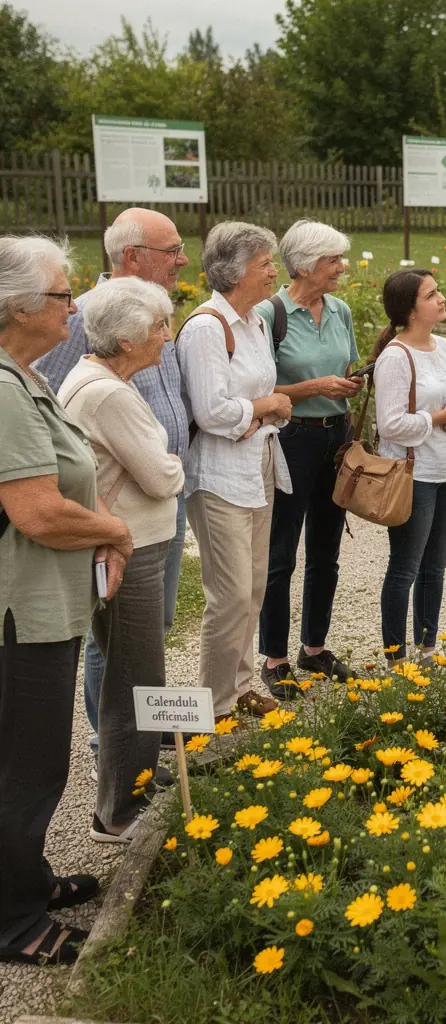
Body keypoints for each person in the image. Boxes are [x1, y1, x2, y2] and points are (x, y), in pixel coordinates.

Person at [0, 237, 132, 965]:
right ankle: (14, 922)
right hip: (19, 617)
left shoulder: (25, 376)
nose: (74, 307)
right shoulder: (3, 388)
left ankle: (28, 881)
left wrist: (101, 524)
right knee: (25, 769)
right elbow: (39, 513)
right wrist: (113, 530)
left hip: (40, 606)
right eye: (61, 294)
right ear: (17, 307)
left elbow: (65, 479)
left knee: (33, 761)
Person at [34, 208, 190, 765]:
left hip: (156, 506)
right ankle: (115, 746)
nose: (183, 259)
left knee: (150, 631)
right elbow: (47, 401)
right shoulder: (89, 321)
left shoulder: (146, 315)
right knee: (121, 644)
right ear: (133, 256)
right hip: (123, 512)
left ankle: (142, 737)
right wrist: (164, 464)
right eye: (172, 250)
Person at [58, 278, 184, 841]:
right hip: (131, 547)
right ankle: (117, 814)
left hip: (129, 543)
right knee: (136, 678)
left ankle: (136, 780)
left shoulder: (100, 379)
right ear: (128, 339)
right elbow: (161, 475)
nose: (167, 335)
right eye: (159, 326)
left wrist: (162, 462)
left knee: (132, 672)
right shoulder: (108, 393)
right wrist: (172, 465)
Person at [177, 222, 292, 721]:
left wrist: (260, 414)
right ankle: (215, 703)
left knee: (254, 586)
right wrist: (266, 407)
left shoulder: (256, 322)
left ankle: (240, 685)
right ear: (235, 272)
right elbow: (212, 413)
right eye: (264, 264)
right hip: (219, 476)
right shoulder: (207, 328)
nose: (274, 271)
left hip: (258, 462)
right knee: (229, 595)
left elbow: (251, 405)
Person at [255, 220, 363, 697]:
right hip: (291, 437)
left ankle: (314, 649)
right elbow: (259, 389)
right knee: (280, 553)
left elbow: (346, 366)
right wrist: (314, 387)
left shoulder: (340, 310)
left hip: (335, 436)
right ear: (303, 265)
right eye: (332, 260)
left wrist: (349, 383)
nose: (342, 267)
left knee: (326, 550)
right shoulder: (269, 314)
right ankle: (275, 658)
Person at [371, 270, 446, 664]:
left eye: (438, 291)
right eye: (431, 295)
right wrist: (438, 418)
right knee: (405, 570)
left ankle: (427, 651)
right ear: (411, 310)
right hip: (414, 476)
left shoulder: (445, 347)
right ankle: (396, 659)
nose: (441, 298)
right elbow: (390, 425)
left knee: (436, 568)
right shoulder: (395, 357)